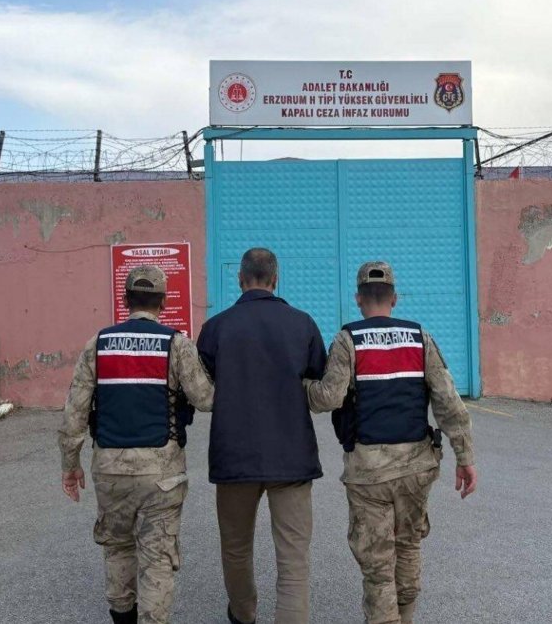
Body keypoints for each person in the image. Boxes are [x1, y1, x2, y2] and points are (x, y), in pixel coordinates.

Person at [304, 261, 477, 624]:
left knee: (378, 562)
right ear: (394, 299)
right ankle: (406, 615)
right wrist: (465, 457)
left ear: (358, 299)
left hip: (368, 473)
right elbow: (448, 402)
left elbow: (328, 398)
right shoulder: (420, 337)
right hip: (417, 466)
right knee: (409, 543)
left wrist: (301, 386)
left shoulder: (347, 340)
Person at [58, 265, 215, 624]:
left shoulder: (97, 345)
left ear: (125, 300)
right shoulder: (177, 344)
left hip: (109, 469)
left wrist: (70, 465)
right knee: (157, 557)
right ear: (163, 302)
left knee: (117, 547)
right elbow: (206, 399)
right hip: (162, 472)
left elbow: (73, 414)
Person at [196, 247, 327, 624]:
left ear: (240, 280)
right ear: (275, 279)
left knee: (236, 549)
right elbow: (317, 377)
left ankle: (243, 614)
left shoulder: (216, 327)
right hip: (292, 457)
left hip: (233, 457)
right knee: (293, 557)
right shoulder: (302, 323)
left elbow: (200, 386)